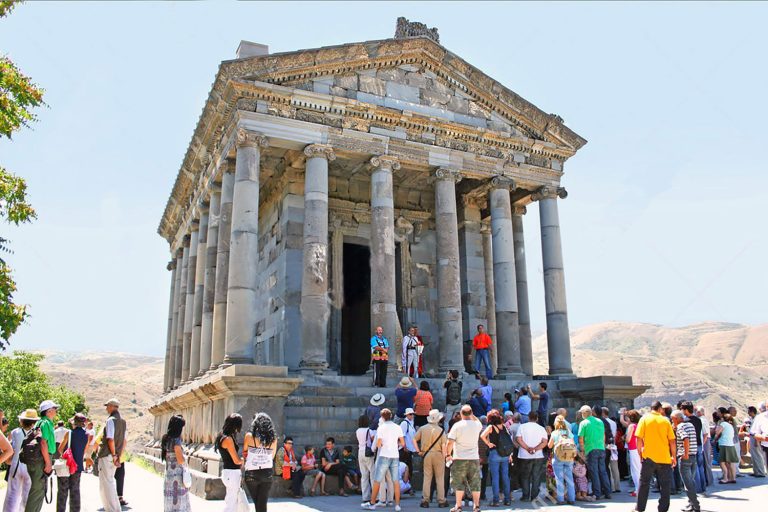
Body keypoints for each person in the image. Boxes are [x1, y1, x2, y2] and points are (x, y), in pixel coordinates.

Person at [634, 401, 676, 512]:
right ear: (660, 409)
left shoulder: (644, 419)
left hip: (649, 457)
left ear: (651, 408)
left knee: (644, 484)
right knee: (665, 486)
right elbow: (672, 441)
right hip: (665, 458)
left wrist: (640, 454)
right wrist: (674, 457)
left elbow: (638, 439)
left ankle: (640, 508)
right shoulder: (665, 421)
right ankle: (663, 509)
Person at [363, 408, 404, 511]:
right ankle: (397, 505)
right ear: (391, 416)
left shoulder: (381, 428)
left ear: (382, 417)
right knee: (395, 481)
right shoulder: (397, 427)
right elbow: (403, 443)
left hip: (384, 455)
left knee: (377, 480)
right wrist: (396, 446)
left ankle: (373, 503)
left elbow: (378, 444)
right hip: (395, 455)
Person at [445, 405, 483, 512]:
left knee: (459, 483)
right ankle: (476, 506)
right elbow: (477, 420)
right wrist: (471, 414)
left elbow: (450, 442)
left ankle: (458, 505)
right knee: (475, 483)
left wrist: (448, 455)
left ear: (461, 413)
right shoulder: (477, 425)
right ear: (471, 413)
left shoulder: (457, 426)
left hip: (459, 458)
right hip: (474, 457)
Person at [26, 399, 58, 512]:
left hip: (40, 458)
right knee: (37, 490)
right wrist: (48, 463)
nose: (56, 411)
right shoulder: (46, 423)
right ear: (48, 411)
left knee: (39, 490)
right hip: (43, 458)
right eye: (55, 409)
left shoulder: (40, 422)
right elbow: (43, 443)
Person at [243, 412, 278, 512]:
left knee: (258, 503)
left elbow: (245, 451)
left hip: (252, 473)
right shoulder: (273, 439)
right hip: (267, 472)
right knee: (261, 503)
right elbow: (272, 456)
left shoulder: (249, 436)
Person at [4, 409, 37, 512]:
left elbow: (10, 448)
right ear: (34, 422)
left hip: (16, 465)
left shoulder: (14, 432)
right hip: (31, 468)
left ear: (21, 421)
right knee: (27, 495)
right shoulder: (37, 433)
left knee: (12, 495)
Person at [577, 404, 611, 500]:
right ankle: (608, 492)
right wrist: (603, 445)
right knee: (603, 471)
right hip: (601, 448)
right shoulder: (599, 421)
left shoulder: (584, 423)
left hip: (591, 449)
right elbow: (604, 435)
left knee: (594, 472)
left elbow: (580, 438)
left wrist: (582, 450)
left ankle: (597, 493)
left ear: (584, 413)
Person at [415, 409, 447, 508]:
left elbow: (414, 439)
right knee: (440, 478)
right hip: (438, 454)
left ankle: (425, 500)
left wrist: (418, 451)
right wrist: (445, 456)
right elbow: (444, 446)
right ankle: (441, 501)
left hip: (426, 454)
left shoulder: (423, 428)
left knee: (427, 478)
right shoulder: (441, 430)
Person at [55, 413, 87, 512]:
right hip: (78, 466)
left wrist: (64, 454)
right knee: (75, 491)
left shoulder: (69, 433)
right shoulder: (87, 435)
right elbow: (84, 451)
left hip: (66, 465)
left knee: (62, 491)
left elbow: (60, 449)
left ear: (74, 423)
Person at [480, 409, 512, 507]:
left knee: (495, 477)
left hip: (494, 453)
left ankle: (496, 500)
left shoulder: (491, 427)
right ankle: (507, 499)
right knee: (505, 477)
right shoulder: (504, 427)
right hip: (505, 454)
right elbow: (509, 440)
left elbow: (482, 436)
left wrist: (488, 443)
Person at [515, 410, 548, 502]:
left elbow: (518, 439)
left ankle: (525, 496)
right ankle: (534, 496)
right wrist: (535, 449)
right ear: (537, 418)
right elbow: (545, 442)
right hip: (538, 455)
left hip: (524, 455)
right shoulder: (541, 428)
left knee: (525, 476)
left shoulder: (522, 427)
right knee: (536, 476)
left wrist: (528, 448)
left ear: (529, 418)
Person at [671, 410, 700, 512]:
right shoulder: (690, 425)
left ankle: (696, 505)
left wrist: (685, 454)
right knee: (691, 481)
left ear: (676, 419)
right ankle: (691, 504)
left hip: (685, 458)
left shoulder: (680, 427)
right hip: (693, 456)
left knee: (688, 484)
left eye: (672, 419)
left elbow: (685, 438)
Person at [215, 413, 244, 512]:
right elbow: (236, 460)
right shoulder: (228, 439)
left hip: (228, 472)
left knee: (232, 501)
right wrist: (243, 460)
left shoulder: (221, 435)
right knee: (231, 504)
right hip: (232, 473)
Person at [161, 415, 190, 512]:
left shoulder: (166, 439)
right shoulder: (176, 441)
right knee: (178, 502)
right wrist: (185, 458)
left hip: (168, 475)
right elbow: (180, 460)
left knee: (170, 502)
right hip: (177, 477)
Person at [548, 414, 576, 505]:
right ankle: (571, 499)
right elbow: (573, 443)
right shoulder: (568, 432)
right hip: (569, 457)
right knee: (569, 478)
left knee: (559, 478)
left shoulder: (555, 433)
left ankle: (561, 499)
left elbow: (549, 446)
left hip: (558, 457)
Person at [356, 415, 376, 505]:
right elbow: (373, 440)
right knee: (372, 474)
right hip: (368, 452)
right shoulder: (370, 431)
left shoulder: (358, 431)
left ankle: (365, 496)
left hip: (360, 451)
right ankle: (375, 496)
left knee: (364, 475)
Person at [715, 412, 738, 484]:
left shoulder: (723, 424)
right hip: (731, 445)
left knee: (722, 462)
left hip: (723, 444)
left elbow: (717, 432)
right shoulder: (731, 426)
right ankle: (733, 477)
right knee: (731, 463)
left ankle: (725, 478)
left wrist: (715, 438)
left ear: (723, 418)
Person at [745, 405, 767, 477]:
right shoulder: (754, 419)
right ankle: (756, 471)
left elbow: (758, 432)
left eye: (749, 412)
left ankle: (761, 472)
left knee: (758, 455)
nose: (748, 413)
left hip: (756, 438)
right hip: (753, 437)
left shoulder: (759, 418)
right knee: (754, 455)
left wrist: (756, 441)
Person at [696, 406, 714, 486]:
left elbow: (705, 434)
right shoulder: (703, 420)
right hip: (705, 441)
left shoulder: (702, 420)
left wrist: (702, 444)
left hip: (704, 442)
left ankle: (708, 480)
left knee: (706, 461)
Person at [625, 409, 642, 497]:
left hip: (633, 449)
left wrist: (624, 437)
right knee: (639, 468)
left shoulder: (631, 426)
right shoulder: (638, 425)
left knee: (635, 470)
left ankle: (637, 489)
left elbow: (628, 439)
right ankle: (639, 488)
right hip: (639, 448)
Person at [400, 408, 418, 478]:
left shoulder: (411, 423)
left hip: (409, 449)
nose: (412, 416)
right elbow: (402, 436)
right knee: (406, 468)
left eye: (413, 414)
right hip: (405, 450)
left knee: (409, 468)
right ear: (407, 415)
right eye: (410, 414)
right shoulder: (404, 423)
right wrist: (405, 447)